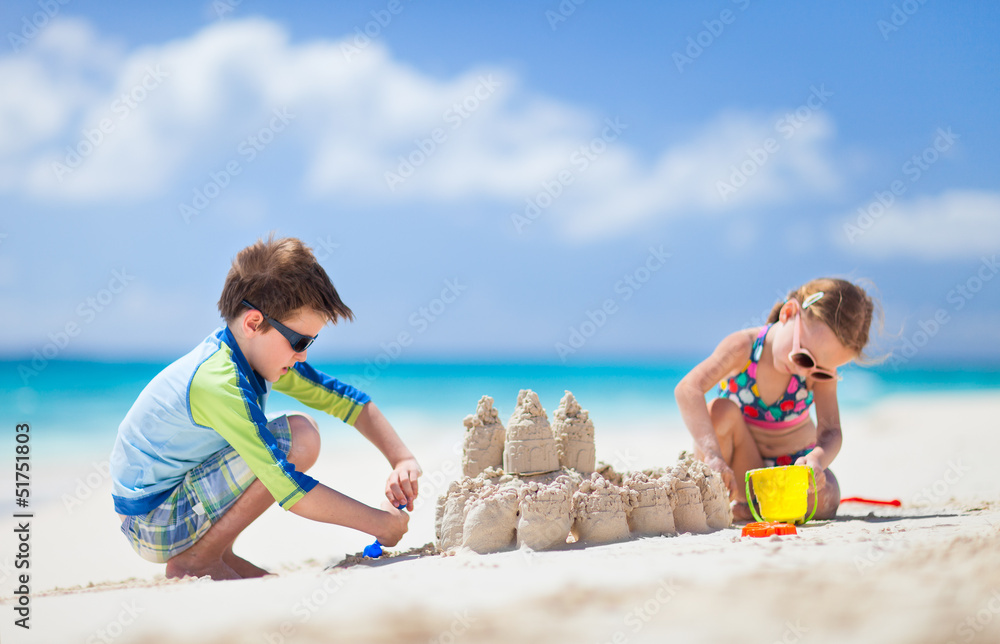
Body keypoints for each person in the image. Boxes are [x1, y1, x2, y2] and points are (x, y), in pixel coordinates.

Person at [110, 235, 420, 580]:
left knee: (283, 434)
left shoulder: (253, 355)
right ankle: (199, 559)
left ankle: (217, 552)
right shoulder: (219, 382)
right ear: (253, 323)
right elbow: (287, 486)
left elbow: (344, 400)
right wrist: (381, 525)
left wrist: (401, 459)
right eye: (300, 341)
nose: (303, 355)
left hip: (167, 507)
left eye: (311, 343)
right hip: (153, 521)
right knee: (299, 437)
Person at [674, 278, 877, 521]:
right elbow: (688, 389)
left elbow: (831, 430)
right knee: (720, 411)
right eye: (803, 356)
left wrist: (816, 460)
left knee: (828, 494)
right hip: (742, 469)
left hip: (792, 470)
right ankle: (728, 498)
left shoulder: (817, 370)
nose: (805, 372)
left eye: (822, 371)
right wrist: (712, 455)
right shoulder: (743, 348)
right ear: (789, 313)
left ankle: (755, 509)